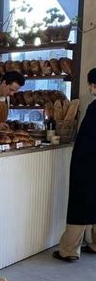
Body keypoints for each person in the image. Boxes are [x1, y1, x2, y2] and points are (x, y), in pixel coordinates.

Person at [53, 68, 96, 262]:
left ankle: (69, 251)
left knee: (80, 204)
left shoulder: (95, 108)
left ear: (93, 85)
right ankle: (95, 244)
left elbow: (87, 141)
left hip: (88, 164)